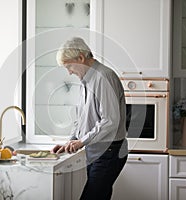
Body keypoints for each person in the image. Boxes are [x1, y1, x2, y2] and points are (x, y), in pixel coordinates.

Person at [51, 37, 128, 200]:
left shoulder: (103, 78)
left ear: (81, 58)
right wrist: (71, 141)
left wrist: (81, 142)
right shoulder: (87, 79)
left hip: (109, 150)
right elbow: (83, 118)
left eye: (69, 66)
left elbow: (110, 121)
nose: (69, 72)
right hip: (97, 150)